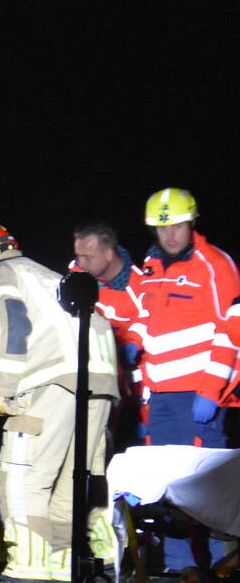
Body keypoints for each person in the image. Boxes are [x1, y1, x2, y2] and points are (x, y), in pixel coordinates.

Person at [0, 220, 119, 583]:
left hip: (51, 380)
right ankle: (84, 566)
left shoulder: (0, 273)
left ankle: (31, 575)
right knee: (75, 481)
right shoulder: (48, 275)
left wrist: (1, 388)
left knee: (22, 476)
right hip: (99, 379)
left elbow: (12, 324)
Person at [124, 188, 240, 448]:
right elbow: (146, 313)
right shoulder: (151, 264)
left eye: (177, 226)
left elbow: (232, 331)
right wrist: (132, 340)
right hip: (159, 394)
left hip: (197, 394)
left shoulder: (216, 264)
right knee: (162, 477)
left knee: (198, 480)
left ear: (192, 223)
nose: (170, 235)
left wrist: (210, 391)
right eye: (162, 228)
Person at [70, 221, 147, 450]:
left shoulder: (139, 285)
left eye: (88, 257)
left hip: (130, 380)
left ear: (109, 254)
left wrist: (130, 344)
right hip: (90, 375)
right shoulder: (77, 274)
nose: (80, 263)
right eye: (78, 256)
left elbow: (148, 325)